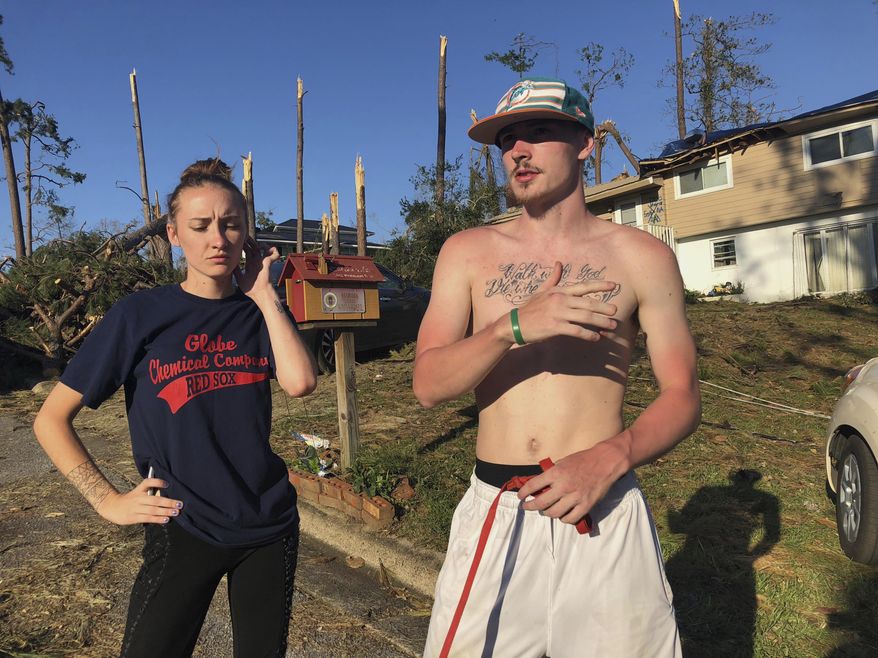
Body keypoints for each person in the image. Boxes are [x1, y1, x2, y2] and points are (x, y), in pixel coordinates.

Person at [413, 78, 700, 657]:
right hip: (499, 508)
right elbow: (428, 385)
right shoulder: (467, 252)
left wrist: (609, 458)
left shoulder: (642, 257)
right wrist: (510, 327)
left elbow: (683, 394)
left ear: (586, 143)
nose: (518, 150)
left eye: (540, 132)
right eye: (507, 139)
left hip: (603, 508)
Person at [33, 158, 318, 658]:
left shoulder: (260, 313)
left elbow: (300, 383)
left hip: (267, 527)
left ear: (246, 233)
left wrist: (265, 298)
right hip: (182, 524)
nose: (218, 239)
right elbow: (51, 419)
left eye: (231, 224)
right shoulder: (140, 315)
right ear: (174, 233)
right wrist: (106, 500)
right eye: (201, 226)